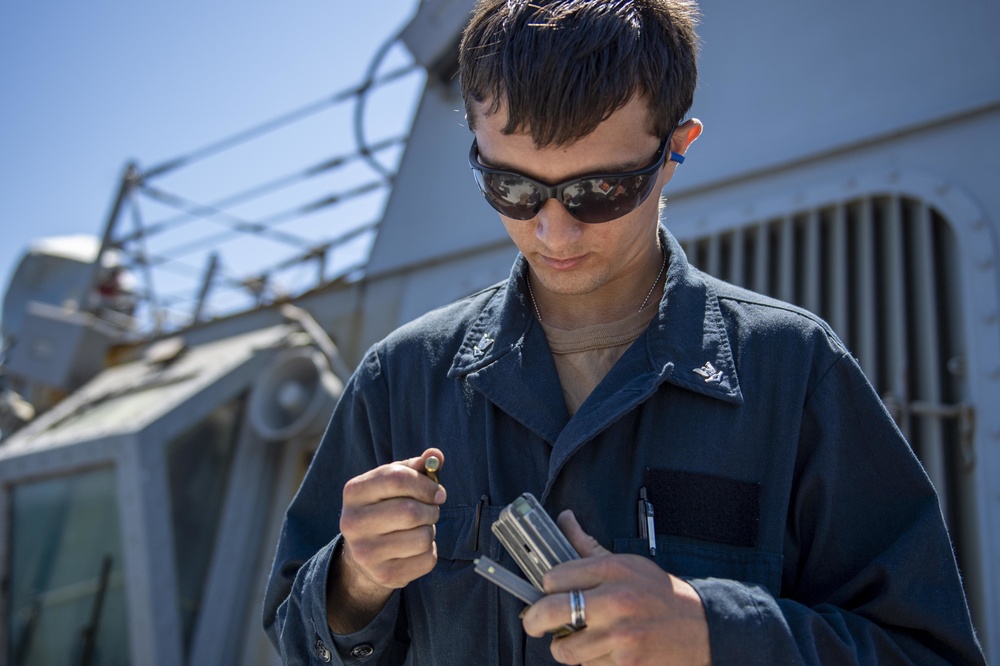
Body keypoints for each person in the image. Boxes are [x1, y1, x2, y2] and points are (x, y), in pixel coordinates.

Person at [263, 1, 986, 663]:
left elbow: (929, 651)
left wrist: (713, 633)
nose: (552, 230)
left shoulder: (794, 372)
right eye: (510, 187)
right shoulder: (399, 380)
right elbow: (295, 638)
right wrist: (354, 582)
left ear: (677, 147)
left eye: (599, 190)